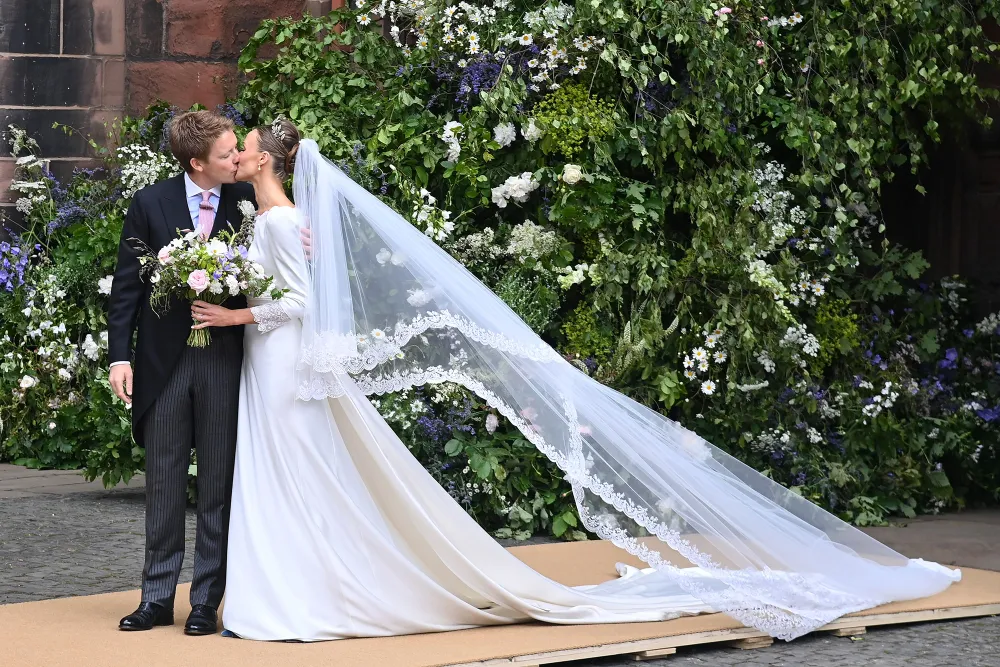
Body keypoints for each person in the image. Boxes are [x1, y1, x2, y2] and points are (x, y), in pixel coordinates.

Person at [189, 119, 961, 642]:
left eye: (246, 146)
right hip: (268, 362)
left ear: (267, 160)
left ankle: (301, 595)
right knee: (291, 476)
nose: (239, 151)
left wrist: (234, 318)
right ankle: (288, 588)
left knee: (299, 472)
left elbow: (298, 304)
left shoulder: (285, 220)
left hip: (280, 360)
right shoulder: (269, 221)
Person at [107, 111, 255, 635]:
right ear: (197, 163)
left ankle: (205, 602)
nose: (237, 158)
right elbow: (127, 288)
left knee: (217, 485)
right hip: (163, 365)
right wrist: (119, 357)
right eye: (226, 153)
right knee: (164, 484)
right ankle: (155, 598)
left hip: (222, 359)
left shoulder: (247, 203)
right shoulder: (150, 203)